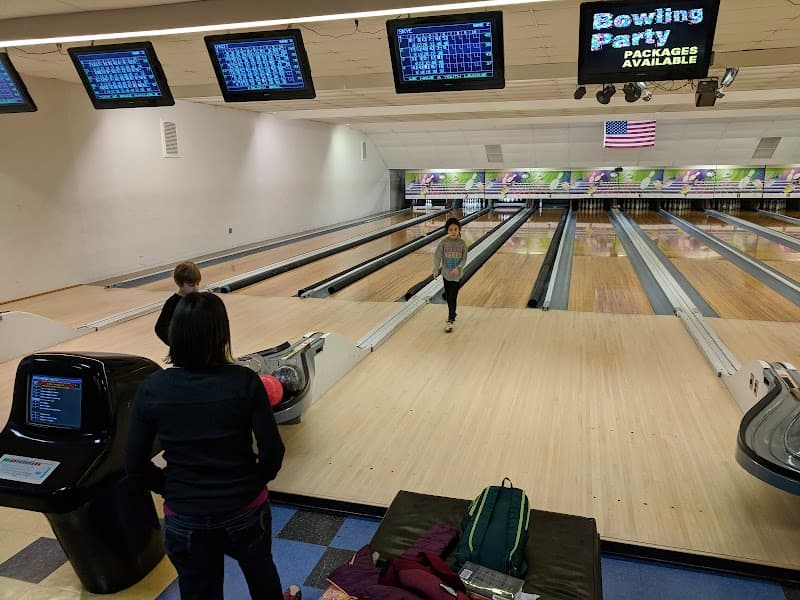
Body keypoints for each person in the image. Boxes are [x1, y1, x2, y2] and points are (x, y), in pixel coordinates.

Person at [126, 291, 298, 600]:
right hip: (244, 509)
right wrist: (250, 483)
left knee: (198, 591)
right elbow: (273, 452)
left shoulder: (153, 387)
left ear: (174, 334)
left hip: (184, 515)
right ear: (221, 334)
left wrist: (172, 488)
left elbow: (133, 463)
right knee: (261, 574)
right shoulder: (244, 381)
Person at [432, 217, 468, 333]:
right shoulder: (443, 242)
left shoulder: (462, 244)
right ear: (447, 231)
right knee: (448, 296)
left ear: (459, 230)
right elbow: (437, 256)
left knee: (453, 297)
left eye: (455, 229)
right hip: (446, 274)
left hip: (457, 275)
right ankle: (453, 313)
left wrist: (458, 268)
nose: (453, 232)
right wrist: (435, 269)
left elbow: (464, 259)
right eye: (450, 230)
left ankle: (450, 319)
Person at [154, 261, 201, 345]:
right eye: (191, 285)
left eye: (197, 284)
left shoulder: (200, 300)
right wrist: (174, 343)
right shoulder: (172, 303)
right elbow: (160, 327)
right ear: (179, 283)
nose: (195, 288)